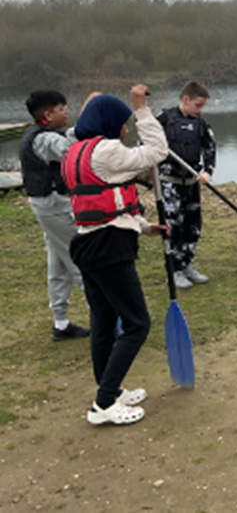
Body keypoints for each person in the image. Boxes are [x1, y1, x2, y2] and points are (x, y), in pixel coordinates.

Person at [62, 85, 169, 426]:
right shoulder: (107, 150)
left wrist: (143, 226)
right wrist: (141, 109)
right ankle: (104, 403)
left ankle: (110, 388)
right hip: (109, 250)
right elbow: (157, 151)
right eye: (122, 123)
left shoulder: (76, 152)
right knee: (138, 324)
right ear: (107, 122)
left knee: (104, 323)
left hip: (89, 244)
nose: (125, 130)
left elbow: (107, 203)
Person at [19, 90, 91, 342]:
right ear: (48, 114)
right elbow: (70, 150)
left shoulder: (42, 134)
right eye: (63, 108)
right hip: (54, 208)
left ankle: (61, 324)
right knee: (81, 261)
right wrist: (88, 119)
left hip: (50, 205)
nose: (66, 112)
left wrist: (80, 122)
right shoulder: (42, 140)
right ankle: (106, 323)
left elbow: (66, 138)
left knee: (58, 266)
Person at [156, 81, 216, 289]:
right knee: (174, 227)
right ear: (185, 100)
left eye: (202, 106)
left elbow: (210, 148)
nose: (200, 110)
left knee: (193, 226)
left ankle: (188, 263)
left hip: (191, 182)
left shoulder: (201, 124)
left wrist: (207, 171)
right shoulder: (163, 120)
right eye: (197, 105)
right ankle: (175, 270)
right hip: (169, 185)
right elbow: (144, 147)